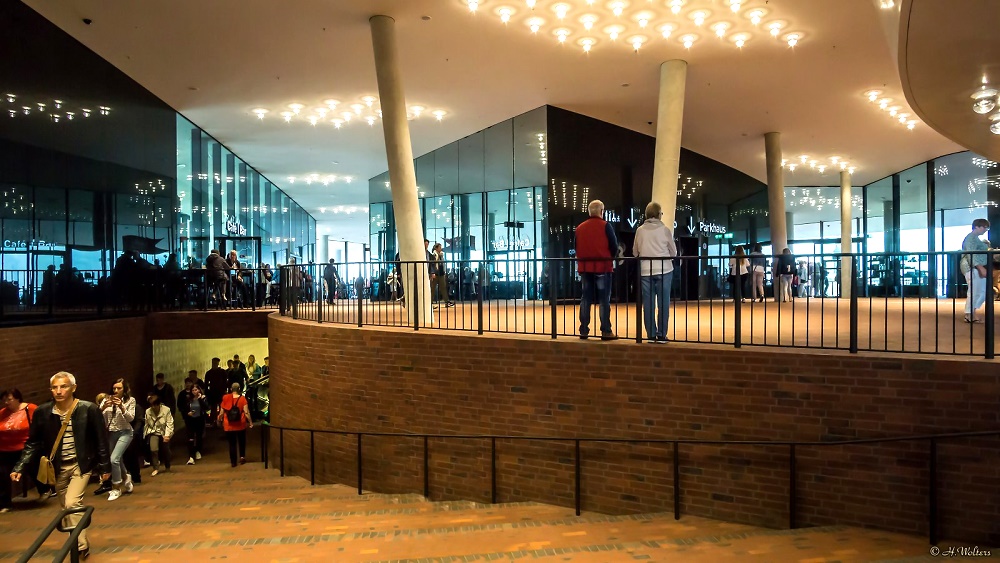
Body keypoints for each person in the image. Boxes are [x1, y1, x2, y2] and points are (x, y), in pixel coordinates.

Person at [11, 372, 111, 558]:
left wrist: (105, 467)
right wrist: (20, 467)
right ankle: (79, 540)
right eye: (55, 387)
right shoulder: (43, 412)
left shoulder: (88, 409)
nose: (59, 391)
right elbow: (33, 442)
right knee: (66, 508)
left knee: (73, 503)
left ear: (73, 388)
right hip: (56, 468)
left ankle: (80, 546)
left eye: (63, 386)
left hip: (81, 465)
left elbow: (101, 440)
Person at [633, 202, 677, 343]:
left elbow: (635, 252)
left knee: (648, 304)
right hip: (664, 270)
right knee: (663, 303)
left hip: (646, 270)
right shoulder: (665, 230)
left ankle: (651, 334)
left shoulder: (640, 230)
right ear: (659, 214)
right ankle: (662, 335)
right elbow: (674, 252)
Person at [575, 199, 619, 341]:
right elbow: (614, 246)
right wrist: (610, 258)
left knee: (586, 298)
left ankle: (584, 330)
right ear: (602, 211)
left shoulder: (580, 228)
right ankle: (606, 330)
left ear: (589, 212)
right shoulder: (606, 226)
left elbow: (576, 247)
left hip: (585, 267)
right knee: (603, 299)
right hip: (603, 267)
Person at [0, 389, 39, 512]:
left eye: (9, 399)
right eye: (4, 400)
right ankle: (5, 503)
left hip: (25, 448)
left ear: (17, 398)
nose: (6, 402)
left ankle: (44, 489)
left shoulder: (30, 408)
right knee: (2, 476)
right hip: (5, 449)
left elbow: (39, 425)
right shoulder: (2, 413)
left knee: (33, 470)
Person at [98, 379, 135, 501]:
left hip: (125, 432)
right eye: (114, 388)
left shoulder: (130, 400)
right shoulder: (106, 399)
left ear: (124, 389)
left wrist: (122, 407)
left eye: (119, 388)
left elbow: (130, 419)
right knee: (118, 459)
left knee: (114, 459)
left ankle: (116, 487)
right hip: (111, 433)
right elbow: (98, 418)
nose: (116, 391)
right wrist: (103, 407)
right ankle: (126, 478)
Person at [961, 218, 991, 323]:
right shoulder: (971, 238)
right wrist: (980, 267)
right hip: (972, 267)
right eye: (984, 227)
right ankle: (969, 314)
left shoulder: (975, 238)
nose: (986, 229)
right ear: (977, 227)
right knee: (975, 291)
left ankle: (971, 312)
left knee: (980, 291)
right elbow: (971, 254)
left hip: (976, 267)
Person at [218, 383, 253, 467]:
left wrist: (219, 419)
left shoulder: (225, 398)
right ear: (239, 389)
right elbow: (246, 412)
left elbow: (222, 412)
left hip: (229, 424)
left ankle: (233, 462)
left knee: (232, 443)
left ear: (231, 389)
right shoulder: (243, 399)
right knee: (241, 441)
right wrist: (250, 422)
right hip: (240, 423)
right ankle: (242, 457)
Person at [143, 392, 173, 476]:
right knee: (153, 449)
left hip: (164, 432)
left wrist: (167, 435)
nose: (153, 407)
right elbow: (146, 423)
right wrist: (145, 434)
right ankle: (155, 467)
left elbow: (169, 423)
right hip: (153, 432)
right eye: (151, 405)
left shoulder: (166, 410)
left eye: (154, 405)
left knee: (165, 450)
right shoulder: (148, 411)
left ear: (158, 404)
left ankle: (167, 465)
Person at [183, 384, 208, 465]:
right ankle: (191, 456)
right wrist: (188, 413)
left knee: (199, 436)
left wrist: (200, 399)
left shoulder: (203, 398)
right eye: (193, 390)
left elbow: (206, 407)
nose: (194, 392)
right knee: (190, 437)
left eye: (196, 390)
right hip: (190, 420)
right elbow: (185, 409)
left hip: (199, 419)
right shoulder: (188, 399)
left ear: (199, 390)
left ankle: (198, 450)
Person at [431, 243, 455, 307]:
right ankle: (430, 303)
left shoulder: (441, 255)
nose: (440, 248)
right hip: (435, 273)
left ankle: (446, 301)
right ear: (436, 248)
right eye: (439, 247)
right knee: (432, 288)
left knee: (443, 287)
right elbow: (433, 263)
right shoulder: (433, 255)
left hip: (441, 273)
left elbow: (443, 264)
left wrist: (444, 272)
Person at [204, 357, 228, 422]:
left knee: (220, 407)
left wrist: (225, 390)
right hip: (213, 392)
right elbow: (206, 384)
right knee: (214, 408)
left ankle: (219, 419)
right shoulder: (210, 373)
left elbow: (225, 382)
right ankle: (215, 420)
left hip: (219, 392)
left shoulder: (222, 372)